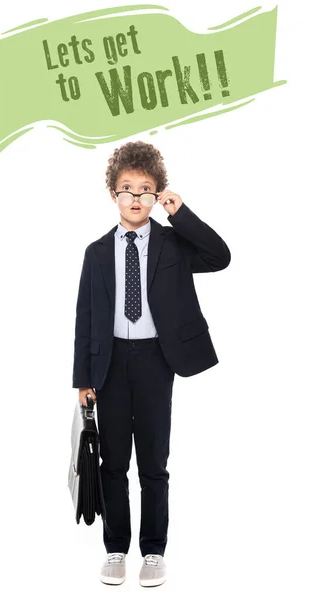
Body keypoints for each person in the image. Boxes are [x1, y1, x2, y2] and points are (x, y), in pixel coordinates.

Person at [72, 141, 231, 587]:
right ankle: (116, 548)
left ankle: (154, 551)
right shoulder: (97, 252)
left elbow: (220, 256)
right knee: (112, 462)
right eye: (127, 189)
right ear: (113, 195)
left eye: (146, 189)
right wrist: (82, 378)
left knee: (154, 461)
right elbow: (85, 317)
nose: (137, 198)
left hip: (158, 359)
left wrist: (180, 214)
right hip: (111, 362)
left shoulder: (173, 244)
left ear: (158, 193)